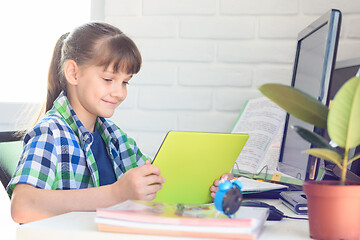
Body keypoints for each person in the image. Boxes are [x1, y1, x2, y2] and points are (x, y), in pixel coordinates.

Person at [7, 22, 227, 224]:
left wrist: (207, 188)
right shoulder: (50, 132)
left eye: (125, 82)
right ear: (73, 73)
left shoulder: (114, 136)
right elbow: (22, 206)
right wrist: (115, 194)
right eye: (108, 79)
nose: (119, 92)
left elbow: (154, 190)